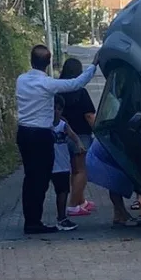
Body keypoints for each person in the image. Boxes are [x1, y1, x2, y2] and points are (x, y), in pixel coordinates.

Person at [15, 44, 98, 235]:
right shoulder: (47, 84)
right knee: (41, 180)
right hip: (41, 135)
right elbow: (76, 84)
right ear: (49, 62)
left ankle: (31, 219)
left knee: (30, 178)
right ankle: (34, 223)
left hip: (23, 133)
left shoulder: (21, 80)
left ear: (31, 60)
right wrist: (93, 65)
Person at [59, 58, 98, 216]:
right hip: (81, 135)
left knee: (73, 171)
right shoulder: (80, 92)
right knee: (81, 171)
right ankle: (73, 205)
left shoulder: (58, 89)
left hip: (63, 135)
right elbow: (89, 115)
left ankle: (81, 200)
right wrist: (98, 130)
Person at [86, 137, 141, 228]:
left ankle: (119, 215)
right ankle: (123, 215)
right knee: (115, 183)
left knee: (115, 183)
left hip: (106, 147)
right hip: (107, 149)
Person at [51, 95, 86, 231]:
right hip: (49, 164)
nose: (56, 111)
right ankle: (58, 218)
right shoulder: (44, 124)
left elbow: (73, 135)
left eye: (59, 109)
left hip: (62, 164)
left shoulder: (63, 125)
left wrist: (79, 143)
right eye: (53, 108)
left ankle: (62, 218)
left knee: (63, 191)